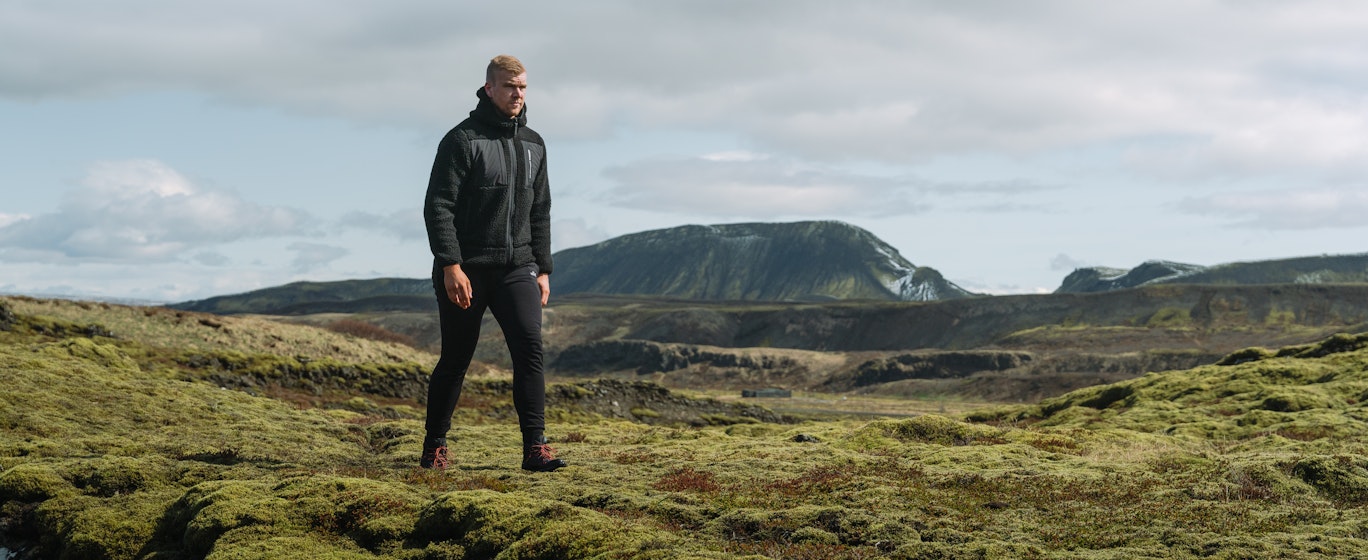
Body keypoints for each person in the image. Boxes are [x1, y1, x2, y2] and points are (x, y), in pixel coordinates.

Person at [420, 54, 565, 472]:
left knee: (530, 349)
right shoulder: (462, 140)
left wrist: (544, 268)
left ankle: (534, 449)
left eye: (522, 87)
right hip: (466, 269)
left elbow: (541, 209)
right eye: (509, 86)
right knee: (456, 357)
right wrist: (451, 265)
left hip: (517, 267)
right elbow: (438, 207)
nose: (517, 94)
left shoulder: (534, 143)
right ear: (489, 89)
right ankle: (435, 447)